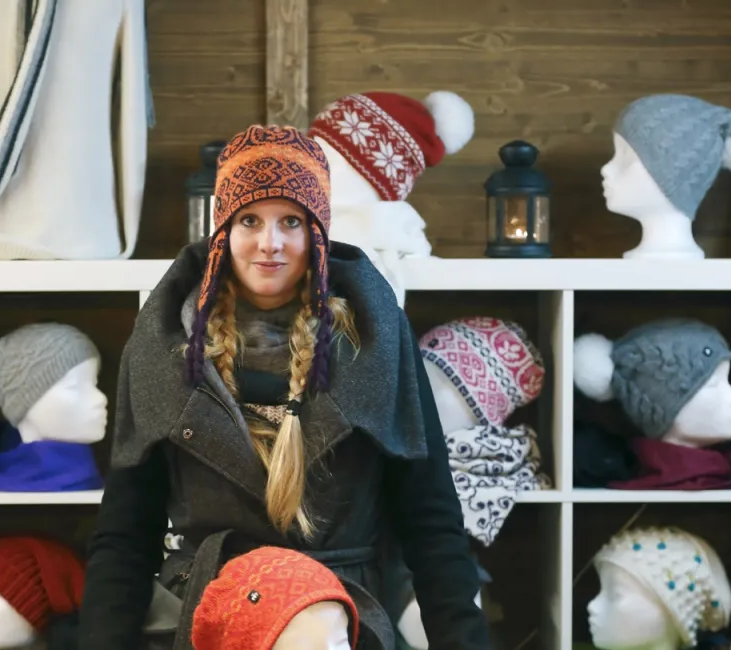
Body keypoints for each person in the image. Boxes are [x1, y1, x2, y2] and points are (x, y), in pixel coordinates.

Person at [77, 124, 491, 649]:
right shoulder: (161, 342)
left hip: (341, 618)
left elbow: (430, 520)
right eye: (249, 219)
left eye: (290, 222)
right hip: (211, 611)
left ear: (316, 232)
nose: (269, 244)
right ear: (222, 228)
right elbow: (125, 533)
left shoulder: (377, 335)